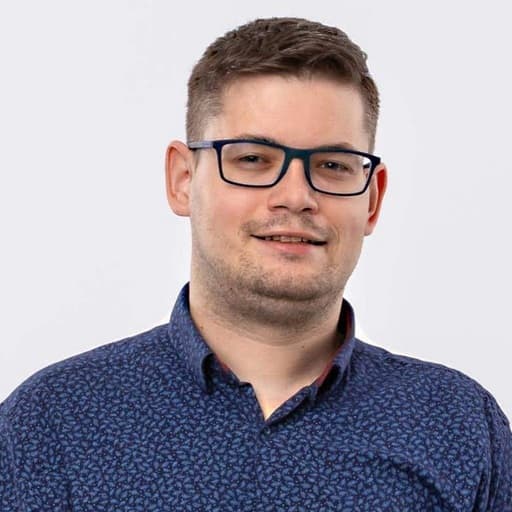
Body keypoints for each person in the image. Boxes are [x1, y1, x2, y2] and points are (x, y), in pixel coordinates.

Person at [1, 16, 510, 512]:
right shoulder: (50, 425)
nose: (296, 196)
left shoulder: (459, 427)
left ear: (372, 200)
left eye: (332, 166)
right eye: (252, 159)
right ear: (182, 180)